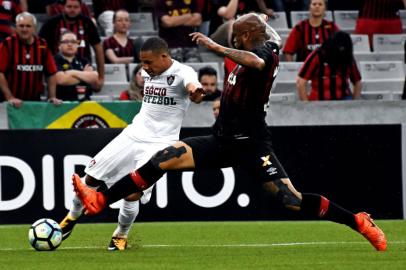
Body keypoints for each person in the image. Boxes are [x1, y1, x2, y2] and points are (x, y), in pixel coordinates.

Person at [72, 13, 387, 252]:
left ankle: (358, 221)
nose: (232, 38)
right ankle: (100, 198)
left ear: (248, 35)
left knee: (291, 199)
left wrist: (214, 45)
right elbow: (258, 38)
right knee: (163, 158)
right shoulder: (263, 42)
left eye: (236, 35)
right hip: (221, 141)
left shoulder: (265, 54)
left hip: (251, 145)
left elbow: (253, 60)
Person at [59, 37, 206, 251]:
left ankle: (121, 234)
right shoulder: (149, 71)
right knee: (90, 177)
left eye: (148, 62)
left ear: (164, 57)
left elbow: (193, 87)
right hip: (133, 134)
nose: (144, 68)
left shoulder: (184, 73)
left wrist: (196, 93)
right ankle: (70, 220)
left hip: (160, 144)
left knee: (132, 192)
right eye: (142, 62)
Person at [0, 12, 77, 107]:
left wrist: (52, 96)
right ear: (16, 27)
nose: (24, 29)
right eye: (21, 26)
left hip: (34, 102)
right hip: (10, 102)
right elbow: (0, 73)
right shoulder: (7, 44)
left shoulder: (42, 45)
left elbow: (51, 73)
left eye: (28, 26)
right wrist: (9, 97)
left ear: (34, 28)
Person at [38, 0, 104, 90]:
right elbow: (40, 46)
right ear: (63, 7)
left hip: (83, 65)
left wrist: (101, 77)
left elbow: (98, 49)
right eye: (69, 7)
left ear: (81, 8)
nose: (72, 10)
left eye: (76, 7)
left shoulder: (87, 23)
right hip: (58, 67)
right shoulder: (51, 23)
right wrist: (84, 76)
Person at [296, 31, 362, 101]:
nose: (340, 51)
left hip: (344, 99)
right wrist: (306, 106)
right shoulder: (317, 55)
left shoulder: (347, 56)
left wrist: (354, 103)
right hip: (318, 101)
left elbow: (357, 81)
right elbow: (301, 81)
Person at [54, 31, 99, 101]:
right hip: (61, 103)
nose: (70, 44)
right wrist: (84, 75)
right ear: (59, 45)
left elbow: (95, 80)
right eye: (66, 42)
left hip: (84, 103)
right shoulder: (54, 60)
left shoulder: (84, 61)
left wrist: (71, 73)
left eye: (73, 42)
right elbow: (61, 80)